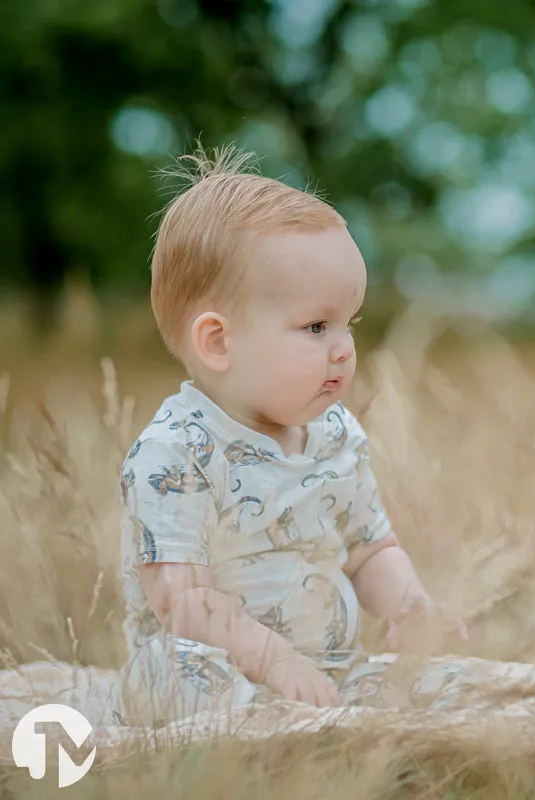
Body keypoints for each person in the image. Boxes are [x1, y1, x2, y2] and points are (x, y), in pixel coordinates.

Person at [110, 145, 466, 725]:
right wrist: (275, 664)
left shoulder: (334, 434)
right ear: (219, 342)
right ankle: (256, 730)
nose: (344, 347)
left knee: (439, 682)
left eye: (348, 323)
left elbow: (370, 547)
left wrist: (409, 606)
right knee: (169, 673)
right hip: (223, 668)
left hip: (331, 672)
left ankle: (331, 721)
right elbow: (181, 598)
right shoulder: (175, 452)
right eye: (316, 326)